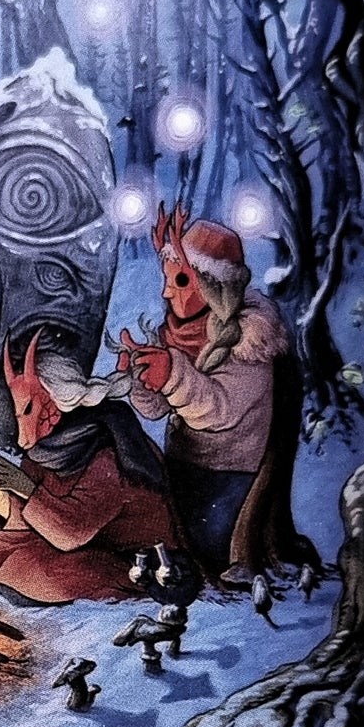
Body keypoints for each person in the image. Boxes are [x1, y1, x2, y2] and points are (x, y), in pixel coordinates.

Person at [117, 206, 310, 585]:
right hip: (182, 466)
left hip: (228, 480)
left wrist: (171, 374)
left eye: (180, 280)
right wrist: (140, 378)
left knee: (195, 554)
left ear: (213, 284)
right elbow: (156, 410)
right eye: (167, 279)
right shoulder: (177, 332)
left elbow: (220, 409)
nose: (166, 291)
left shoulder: (250, 340)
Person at [0, 331, 172, 605]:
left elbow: (71, 531)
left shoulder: (106, 449)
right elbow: (39, 517)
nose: (21, 433)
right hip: (83, 544)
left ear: (54, 402)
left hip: (132, 558)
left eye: (28, 409)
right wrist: (1, 500)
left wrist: (25, 488)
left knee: (41, 575)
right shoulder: (47, 448)